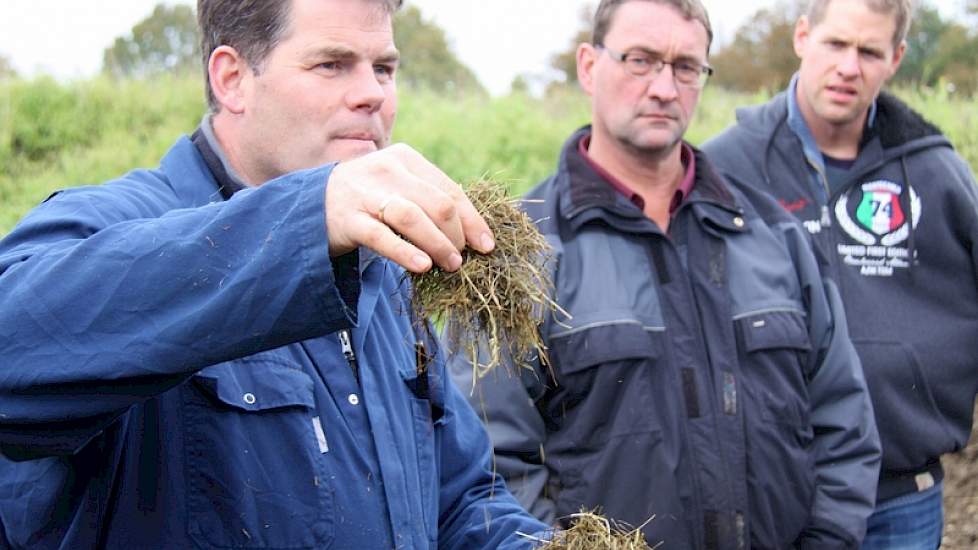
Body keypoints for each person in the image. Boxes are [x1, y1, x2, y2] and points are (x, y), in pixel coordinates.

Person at [0, 0, 549, 548]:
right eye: (331, 64)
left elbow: (460, 499)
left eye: (383, 67)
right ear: (233, 79)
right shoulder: (120, 221)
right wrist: (305, 221)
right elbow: (15, 346)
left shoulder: (385, 269)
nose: (373, 93)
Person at [450, 0, 882, 548]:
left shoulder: (774, 234)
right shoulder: (520, 258)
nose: (663, 88)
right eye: (640, 60)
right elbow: (486, 457)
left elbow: (843, 418)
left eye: (686, 67)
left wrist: (826, 540)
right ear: (588, 65)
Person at [703, 0, 978, 547]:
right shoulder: (726, 168)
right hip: (773, 492)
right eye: (836, 44)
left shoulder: (935, 171)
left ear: (895, 58)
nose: (849, 67)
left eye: (869, 51)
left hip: (900, 498)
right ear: (803, 37)